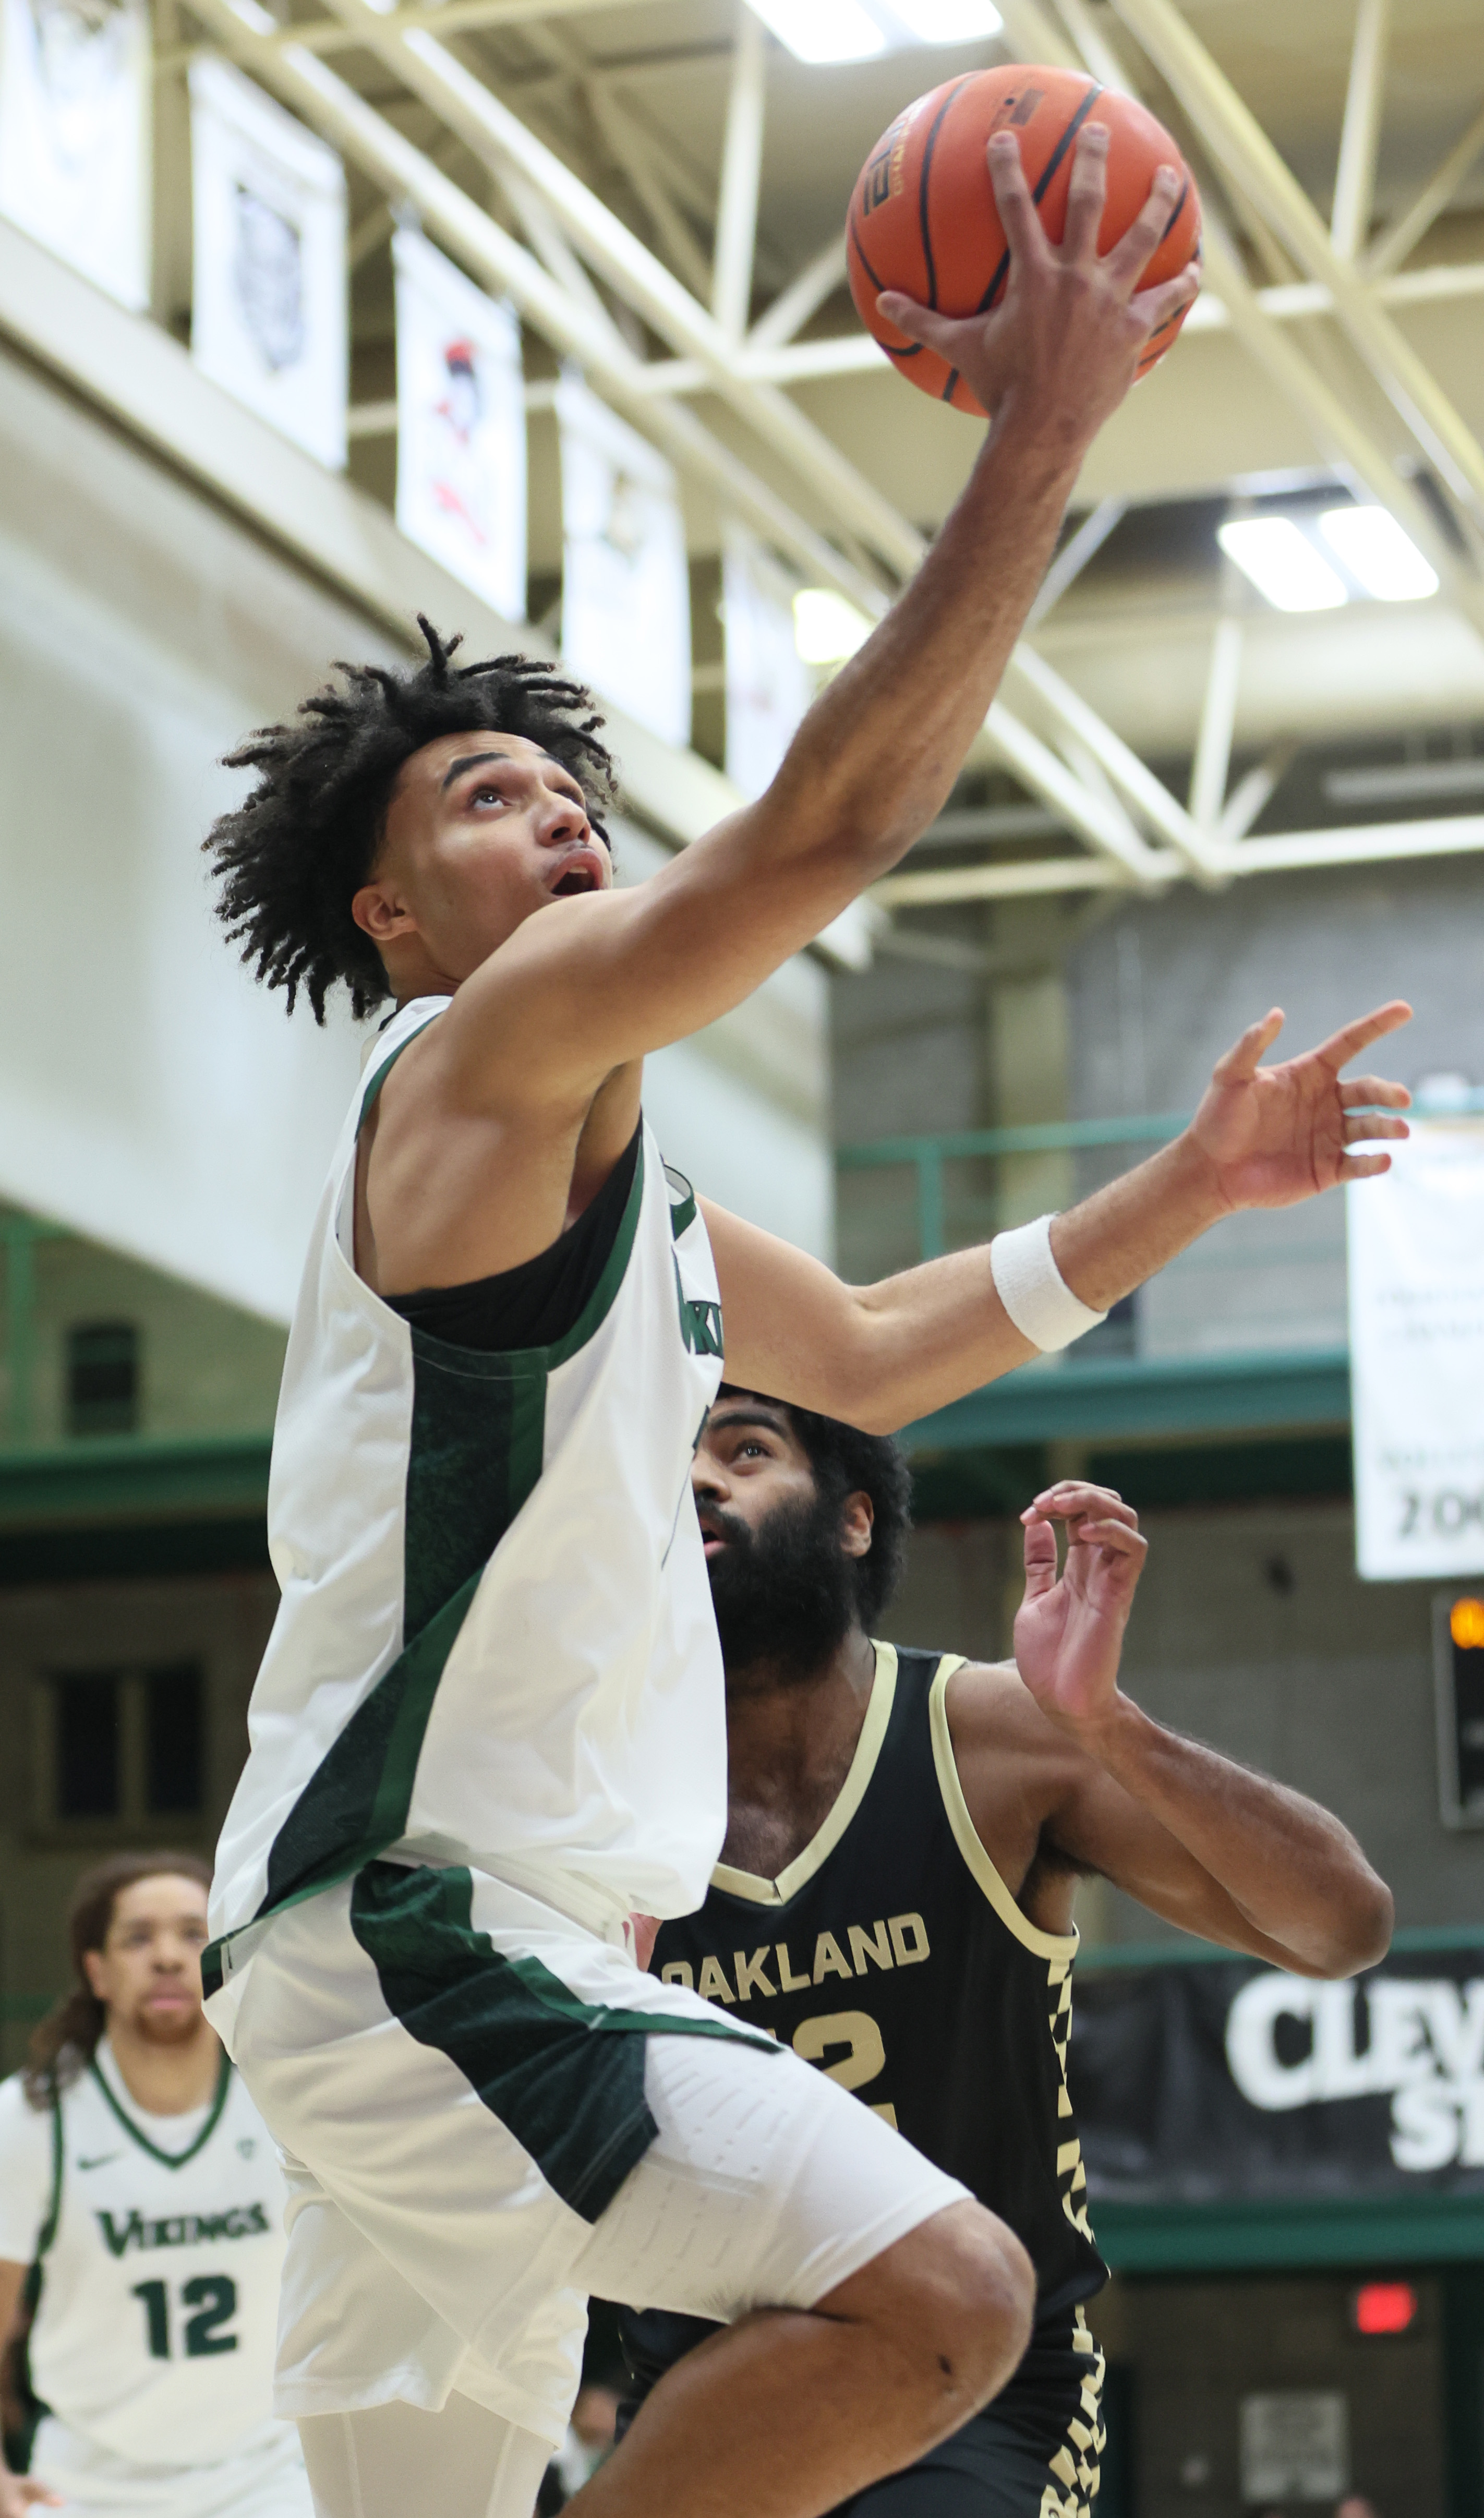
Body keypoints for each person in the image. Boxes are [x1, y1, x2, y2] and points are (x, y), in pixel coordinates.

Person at [197, 124, 1409, 2518]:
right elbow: (828, 838)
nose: (561, 821)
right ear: (398, 917)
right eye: (488, 798)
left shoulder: (607, 1179)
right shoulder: (466, 1061)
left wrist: (1185, 1184)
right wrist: (1045, 439)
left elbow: (853, 1348)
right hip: (426, 1919)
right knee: (947, 2294)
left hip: (397, 1946)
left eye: (574, 792)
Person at [616, 1393, 1394, 2513]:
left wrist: (1103, 1722)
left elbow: (1341, 1924)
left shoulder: (988, 1736)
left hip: (977, 2393)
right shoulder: (602, 1799)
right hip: (706, 2389)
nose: (698, 1478)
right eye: (666, 1457)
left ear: (854, 1519)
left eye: (744, 1448)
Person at [0, 1854, 312, 2518]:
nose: (168, 1956)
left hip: (268, 2472)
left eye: (193, 1934)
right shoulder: (28, 2121)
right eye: (138, 1938)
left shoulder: (289, 2099)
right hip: (85, 2481)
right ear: (97, 1971)